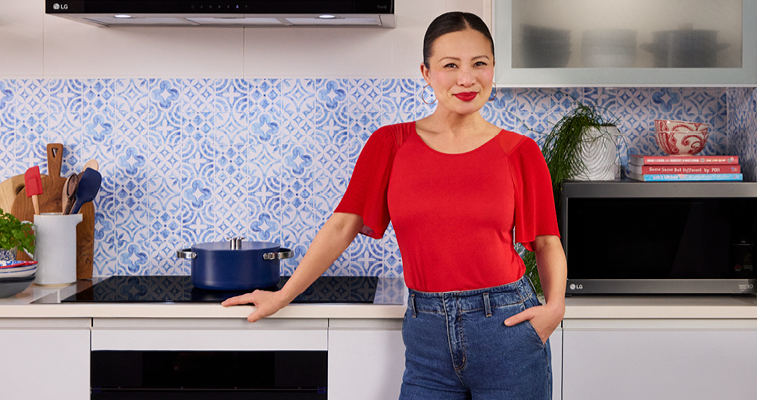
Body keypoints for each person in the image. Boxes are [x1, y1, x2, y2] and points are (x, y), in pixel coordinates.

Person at [222, 11, 567, 400]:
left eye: (479, 64)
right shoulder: (391, 145)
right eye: (450, 65)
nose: (466, 78)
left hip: (507, 332)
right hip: (426, 336)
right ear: (426, 72)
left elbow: (547, 243)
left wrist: (555, 307)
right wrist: (283, 295)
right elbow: (342, 226)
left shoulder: (519, 152)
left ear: (492, 69)